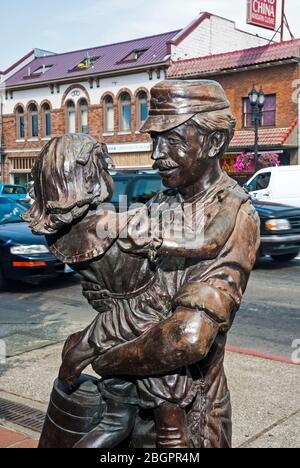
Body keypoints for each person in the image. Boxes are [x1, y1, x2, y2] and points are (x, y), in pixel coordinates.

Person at [25, 132, 246, 448]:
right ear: (87, 174)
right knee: (169, 410)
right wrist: (233, 201)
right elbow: (208, 241)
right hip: (144, 317)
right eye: (102, 165)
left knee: (114, 417)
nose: (108, 171)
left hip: (110, 322)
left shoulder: (59, 236)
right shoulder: (114, 225)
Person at [88, 80, 261, 448]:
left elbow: (187, 339)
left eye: (172, 140)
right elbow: (130, 288)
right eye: (154, 140)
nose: (156, 154)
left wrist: (104, 360)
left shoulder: (233, 214)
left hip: (190, 416)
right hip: (138, 405)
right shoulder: (162, 204)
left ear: (213, 143)